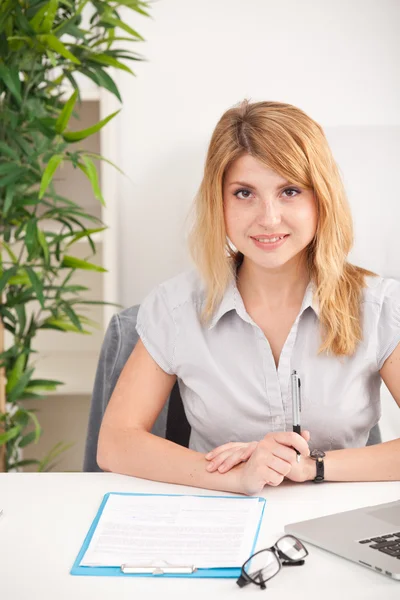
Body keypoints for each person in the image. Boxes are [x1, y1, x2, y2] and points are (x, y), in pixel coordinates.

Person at [97, 100, 400, 496]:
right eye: (244, 193)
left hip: (336, 522)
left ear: (320, 199)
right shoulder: (176, 307)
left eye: (289, 191)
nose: (268, 217)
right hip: (216, 518)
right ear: (218, 202)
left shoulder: (378, 307)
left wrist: (311, 467)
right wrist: (237, 476)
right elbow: (115, 443)